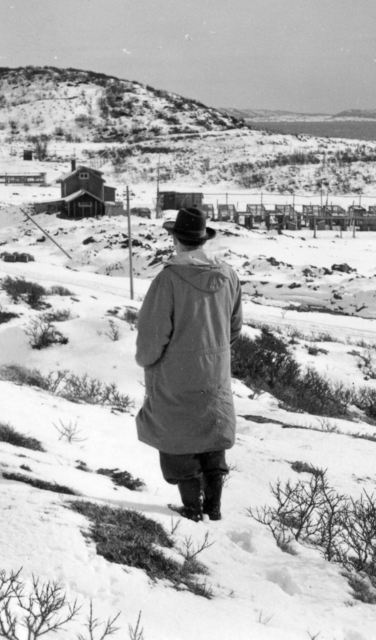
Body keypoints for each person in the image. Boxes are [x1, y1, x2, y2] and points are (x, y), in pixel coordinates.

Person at [135, 207, 242, 522]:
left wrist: (148, 361)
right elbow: (234, 328)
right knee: (212, 431)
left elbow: (152, 337)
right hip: (216, 373)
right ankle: (214, 507)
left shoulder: (168, 279)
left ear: (175, 239)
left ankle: (192, 509)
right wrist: (214, 355)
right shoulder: (228, 274)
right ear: (202, 239)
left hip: (175, 375)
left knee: (177, 436)